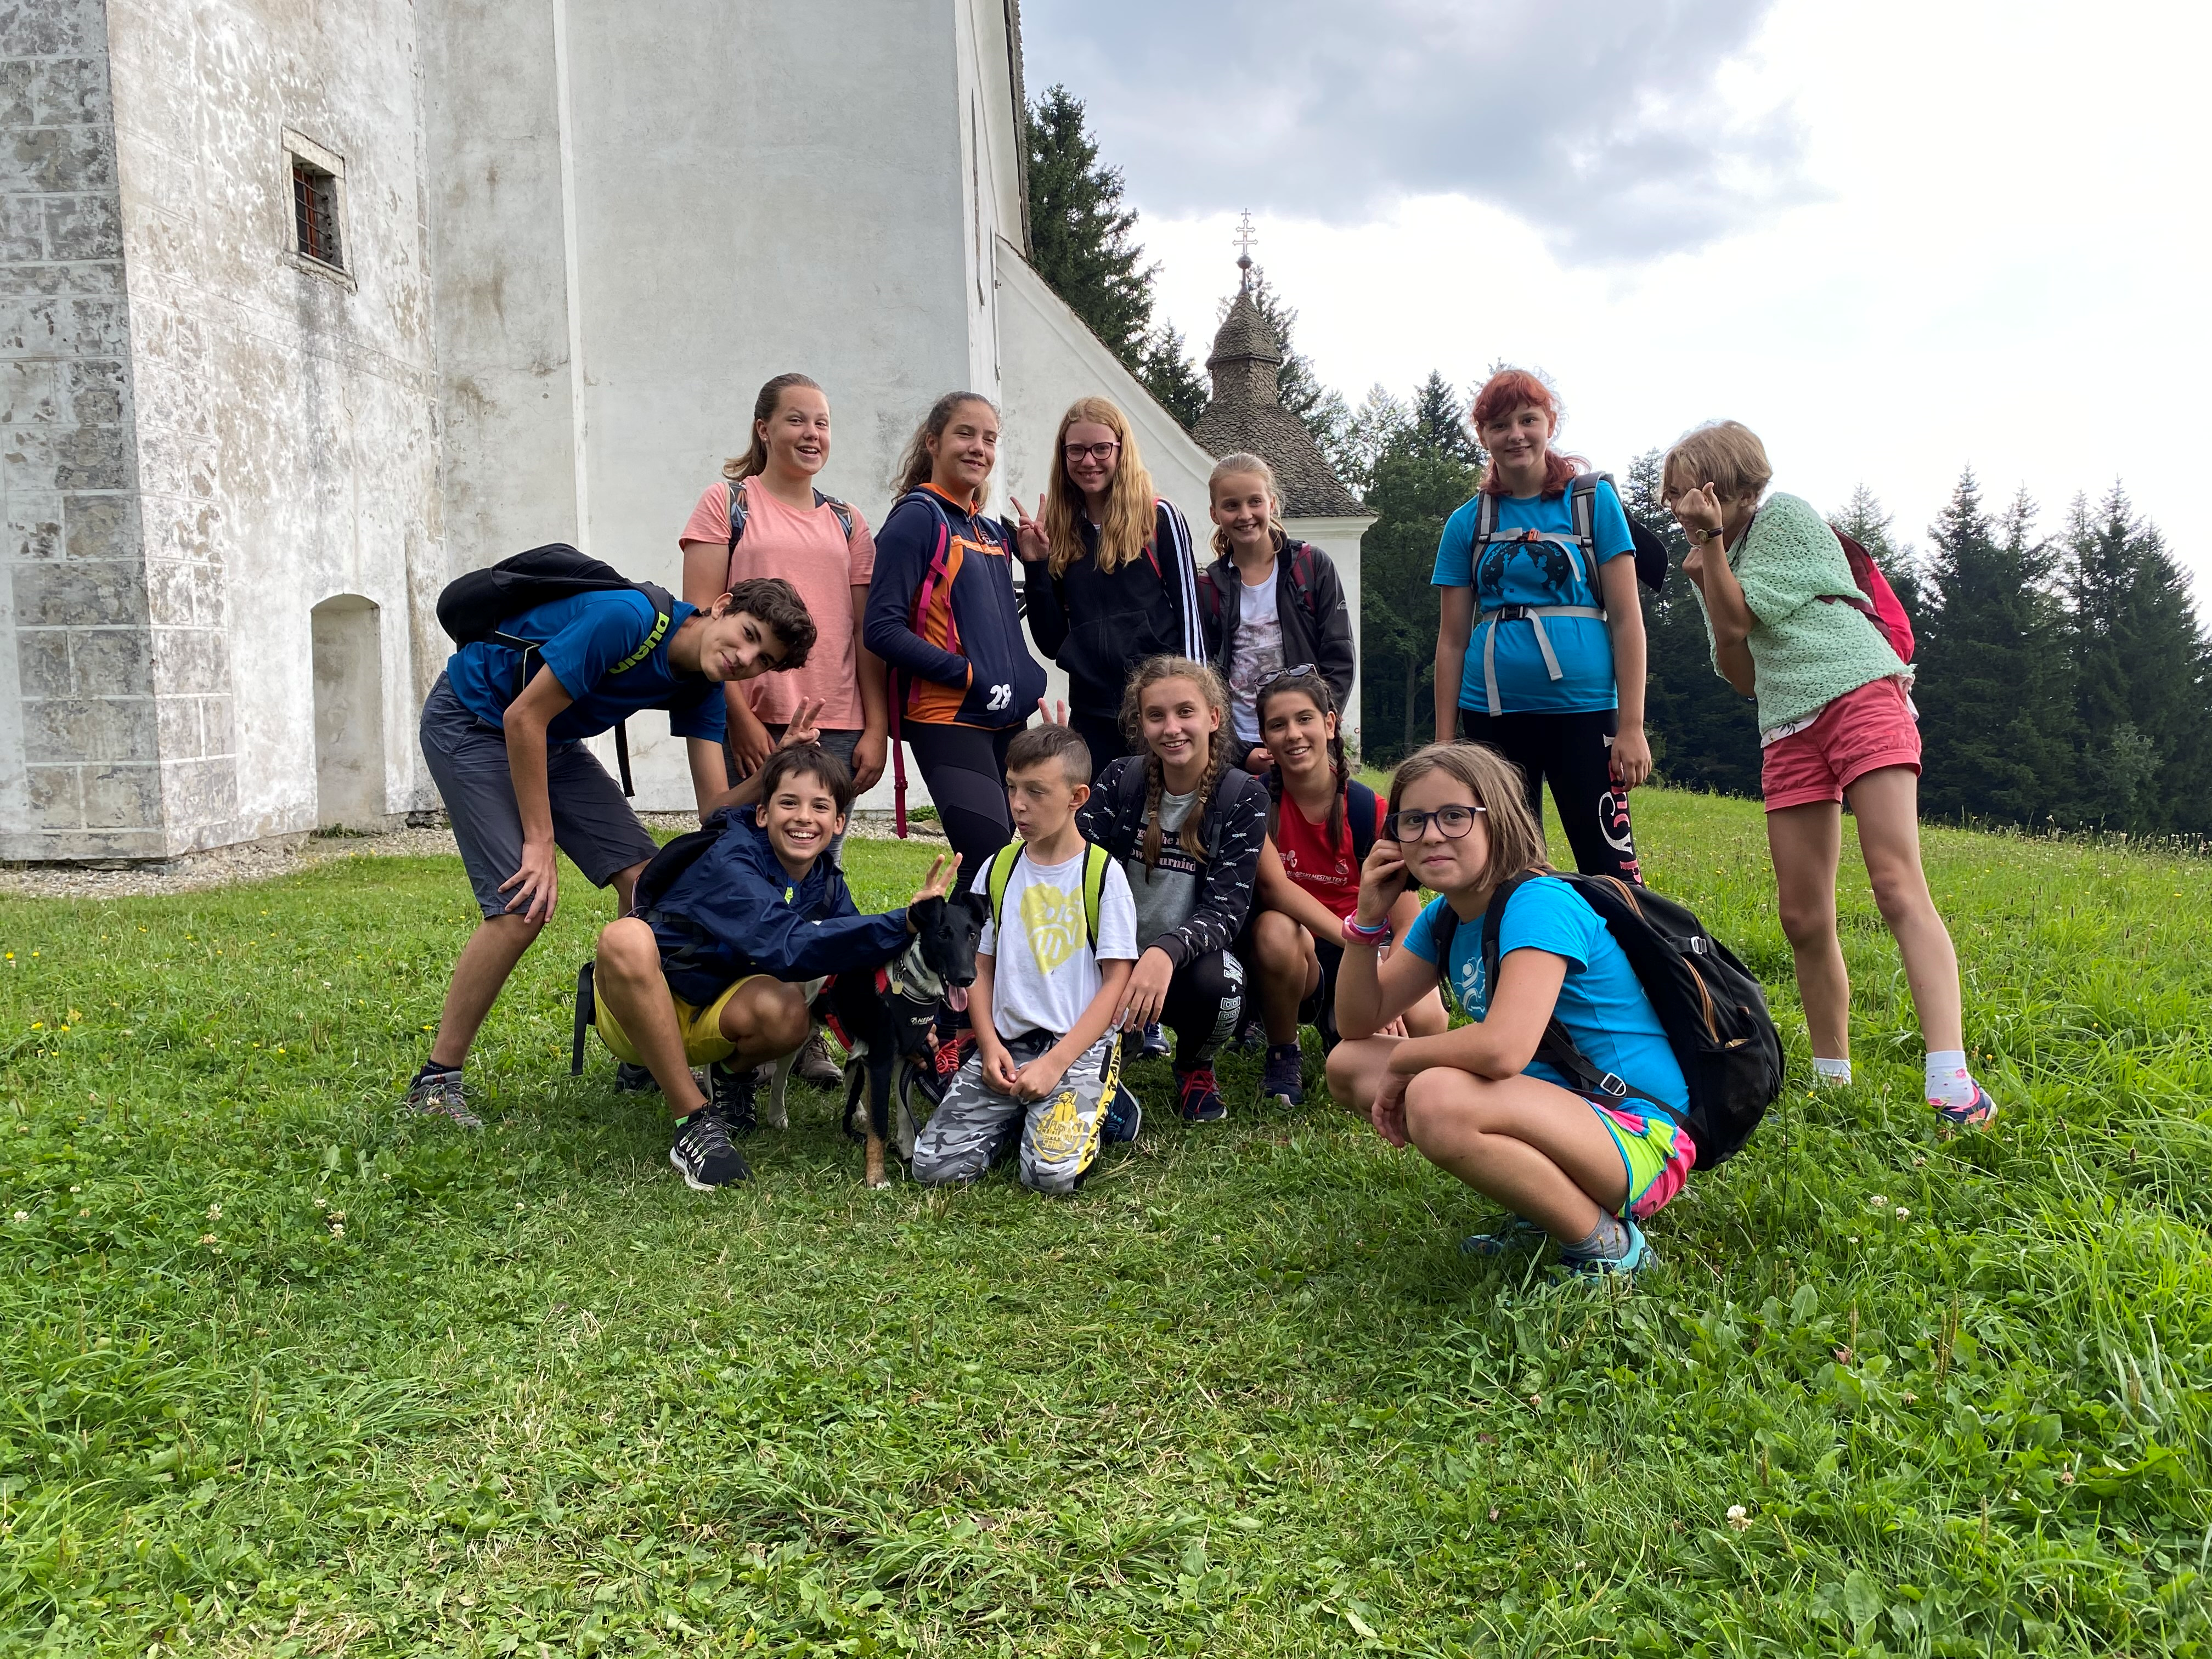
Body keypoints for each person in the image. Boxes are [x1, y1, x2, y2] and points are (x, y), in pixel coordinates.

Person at [1666, 420, 1995, 1128]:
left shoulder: (1787, 516)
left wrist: (1714, 553)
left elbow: (1746, 611)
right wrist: (1711, 563)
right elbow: (1742, 669)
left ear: (1721, 486)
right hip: (1787, 723)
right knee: (1803, 915)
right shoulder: (1710, 554)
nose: (1676, 510)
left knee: (1895, 882)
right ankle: (1831, 1080)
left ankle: (1953, 1081)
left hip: (1858, 694)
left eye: (1683, 494)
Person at [408, 574, 817, 1127]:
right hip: (473, 718)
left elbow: (714, 810)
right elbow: (521, 717)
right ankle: (435, 1082)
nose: (744, 657)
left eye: (762, 659)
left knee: (649, 882)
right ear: (721, 606)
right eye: (746, 635)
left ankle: (638, 1043)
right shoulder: (628, 619)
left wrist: (777, 767)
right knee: (519, 908)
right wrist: (540, 841)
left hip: (548, 738)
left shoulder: (703, 682)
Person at [1325, 743, 1692, 1277]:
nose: (1431, 834)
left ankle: (1609, 1246)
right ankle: (1545, 1205)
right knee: (1348, 1065)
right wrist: (1366, 924)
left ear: (1496, 821)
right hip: (1564, 1117)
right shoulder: (1445, 920)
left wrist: (1409, 1062)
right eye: (1412, 821)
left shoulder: (1538, 903)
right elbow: (1357, 1027)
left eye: (1454, 817)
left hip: (1640, 1135)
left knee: (1436, 1095)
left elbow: (1503, 1049)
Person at [591, 744, 964, 1190]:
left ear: (839, 822)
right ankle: (693, 1121)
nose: (804, 817)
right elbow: (785, 944)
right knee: (625, 938)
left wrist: (907, 1021)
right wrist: (901, 920)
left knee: (789, 1009)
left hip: (715, 1012)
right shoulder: (731, 858)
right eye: (789, 802)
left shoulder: (825, 883)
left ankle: (731, 1078)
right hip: (640, 1017)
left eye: (820, 807)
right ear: (763, 814)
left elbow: (855, 963)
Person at [680, 371, 885, 1085]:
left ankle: (805, 1037)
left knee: (817, 876)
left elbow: (864, 633)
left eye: (822, 422)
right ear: (763, 428)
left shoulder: (850, 523)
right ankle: (711, 1024)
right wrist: (738, 718)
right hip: (752, 719)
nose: (812, 435)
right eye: (797, 420)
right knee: (738, 877)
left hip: (833, 725)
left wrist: (876, 725)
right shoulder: (728, 503)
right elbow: (701, 619)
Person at [1431, 369, 1650, 883]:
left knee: (1610, 865)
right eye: (1500, 425)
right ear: (1483, 436)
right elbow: (1452, 639)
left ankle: (1631, 961)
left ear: (1550, 424)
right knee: (1509, 867)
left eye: (1528, 420)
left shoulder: (1591, 503)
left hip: (1586, 712)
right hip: (1492, 716)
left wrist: (1633, 726)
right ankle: (1521, 959)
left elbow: (1627, 619)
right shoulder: (1467, 522)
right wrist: (1445, 741)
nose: (1516, 435)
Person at [911, 724, 1138, 1192]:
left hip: (1075, 1048)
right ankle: (1026, 1111)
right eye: (1012, 787)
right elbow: (980, 967)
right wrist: (990, 1046)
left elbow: (1116, 982)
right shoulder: (997, 869)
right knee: (934, 1169)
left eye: (1036, 792)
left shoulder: (1102, 875)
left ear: (1077, 797)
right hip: (1008, 1046)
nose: (1018, 803)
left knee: (1048, 1177)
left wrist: (1057, 1063)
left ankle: (1110, 1106)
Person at [862, 392, 1047, 879]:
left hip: (1006, 717)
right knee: (989, 860)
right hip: (947, 715)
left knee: (998, 866)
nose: (979, 448)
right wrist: (965, 673)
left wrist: (1038, 563)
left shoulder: (992, 531)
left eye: (989, 439)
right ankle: (941, 956)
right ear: (933, 443)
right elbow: (880, 629)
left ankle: (967, 958)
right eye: (965, 434)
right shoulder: (917, 517)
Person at [1243, 670, 1446, 1108]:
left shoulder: (1366, 807)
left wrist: (1389, 985)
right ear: (1264, 737)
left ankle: (1362, 1041)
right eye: (1278, 725)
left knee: (1429, 1018)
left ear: (1330, 725)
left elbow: (1407, 915)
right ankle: (1283, 1049)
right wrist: (1361, 945)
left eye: (1305, 719)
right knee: (1275, 930)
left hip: (1366, 947)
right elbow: (1276, 891)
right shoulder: (1253, 803)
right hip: (1305, 955)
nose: (1293, 735)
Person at [1078, 656, 1266, 1125]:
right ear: (1141, 724)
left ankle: (1195, 1066)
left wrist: (1165, 950)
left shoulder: (1243, 796)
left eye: (1186, 712)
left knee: (1223, 987)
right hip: (1109, 956)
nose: (1172, 728)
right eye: (1156, 716)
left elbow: (1227, 909)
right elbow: (1075, 871)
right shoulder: (1122, 779)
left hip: (1181, 962)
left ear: (1214, 717)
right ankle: (1105, 1046)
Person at [1009, 396, 1206, 776]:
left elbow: (1191, 621)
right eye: (1077, 450)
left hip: (1157, 708)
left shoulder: (1159, 517)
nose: (1088, 461)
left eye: (1101, 449)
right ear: (1064, 456)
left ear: (1121, 449)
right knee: (1097, 826)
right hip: (1091, 712)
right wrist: (1036, 565)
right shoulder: (1059, 530)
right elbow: (1052, 642)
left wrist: (1194, 704)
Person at [1197, 454, 1356, 774]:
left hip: (1304, 737)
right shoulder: (1207, 586)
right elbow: (1206, 680)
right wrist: (1239, 753)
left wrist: (1318, 728)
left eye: (1254, 502)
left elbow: (1339, 657)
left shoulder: (1311, 567)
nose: (1245, 515)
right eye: (1231, 506)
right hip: (1242, 743)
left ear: (1271, 503)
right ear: (1215, 513)